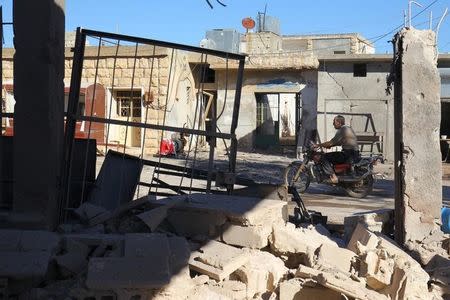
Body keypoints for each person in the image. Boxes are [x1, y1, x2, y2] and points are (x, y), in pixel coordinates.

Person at [313, 115, 359, 184]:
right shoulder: (347, 128)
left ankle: (333, 177)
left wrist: (318, 145)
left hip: (348, 153)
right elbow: (340, 142)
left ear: (338, 122)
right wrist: (330, 145)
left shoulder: (342, 130)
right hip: (353, 153)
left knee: (323, 157)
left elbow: (331, 142)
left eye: (334, 122)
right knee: (332, 156)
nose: (333, 124)